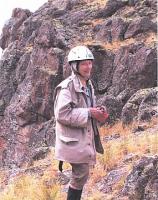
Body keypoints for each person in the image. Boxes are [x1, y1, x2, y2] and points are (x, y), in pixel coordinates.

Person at [53, 46, 108, 200]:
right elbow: (62, 114)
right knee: (80, 174)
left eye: (90, 63)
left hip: (83, 136)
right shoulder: (67, 87)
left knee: (82, 175)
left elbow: (85, 106)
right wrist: (89, 112)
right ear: (75, 66)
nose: (88, 67)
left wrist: (98, 111)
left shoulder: (87, 84)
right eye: (84, 64)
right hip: (72, 140)